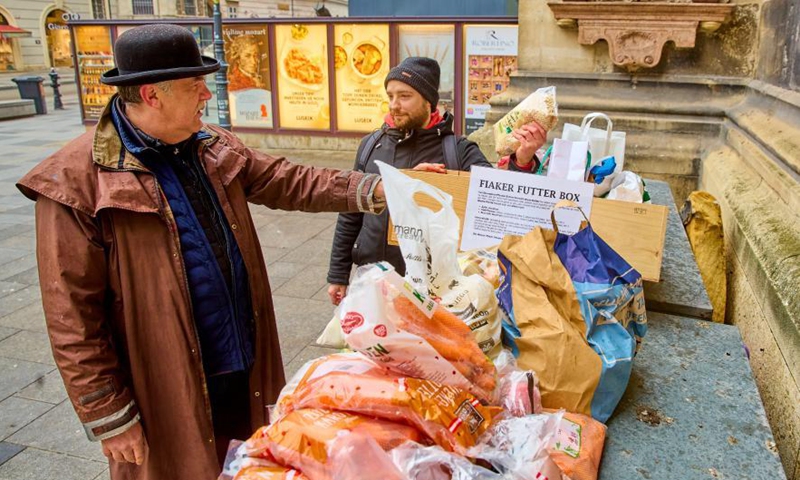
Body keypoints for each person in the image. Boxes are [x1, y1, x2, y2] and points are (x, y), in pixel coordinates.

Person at [16, 24, 385, 480]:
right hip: (164, 386)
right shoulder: (74, 184)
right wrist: (108, 416)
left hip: (241, 363)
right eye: (196, 86)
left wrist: (378, 189)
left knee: (246, 466)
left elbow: (288, 179)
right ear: (153, 95)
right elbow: (72, 320)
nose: (206, 96)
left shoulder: (210, 144)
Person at [326, 56, 547, 305]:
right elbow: (350, 213)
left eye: (405, 96)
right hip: (373, 278)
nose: (394, 105)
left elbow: (498, 202)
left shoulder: (457, 149)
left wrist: (523, 159)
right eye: (390, 96)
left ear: (429, 101)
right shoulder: (371, 145)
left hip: (435, 290)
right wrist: (338, 274)